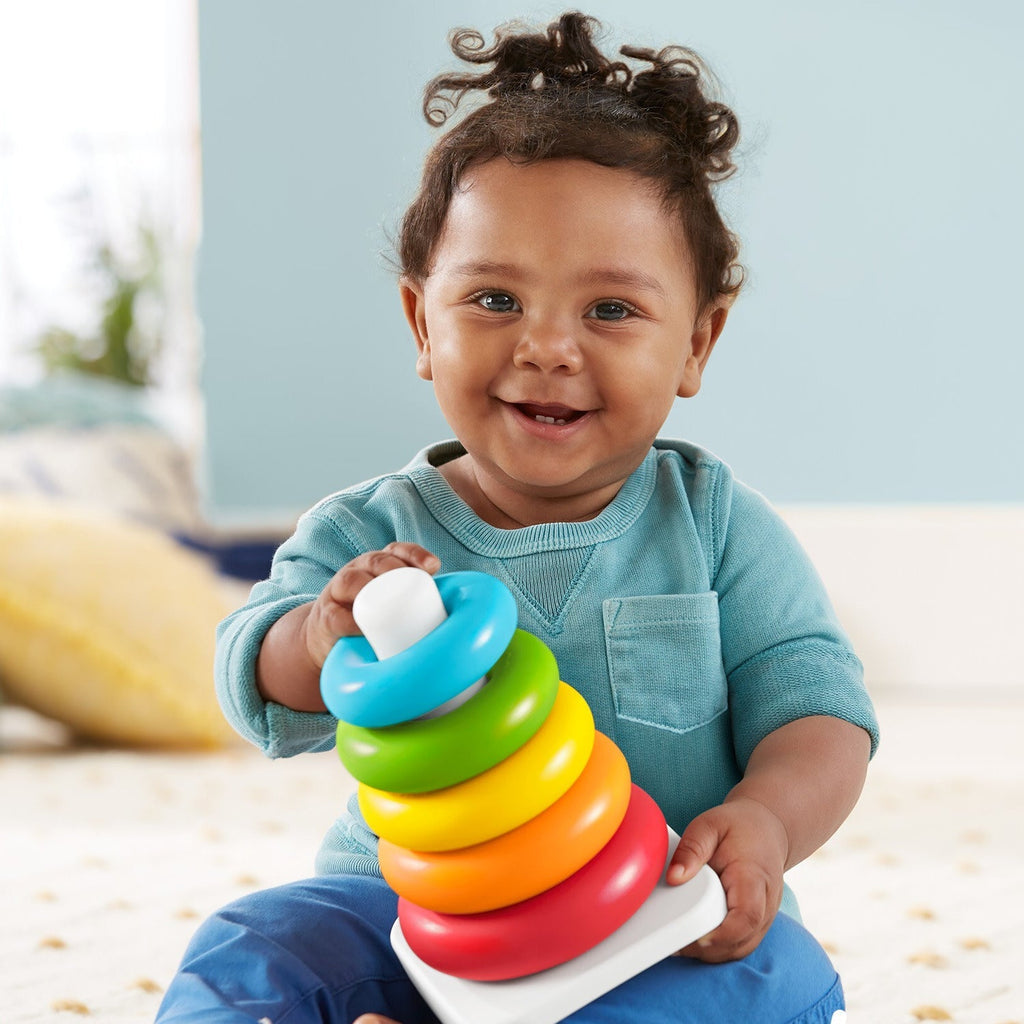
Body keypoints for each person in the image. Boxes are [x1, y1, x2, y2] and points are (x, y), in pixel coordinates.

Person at [157, 11, 879, 1024]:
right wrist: (321, 633)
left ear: (696, 343)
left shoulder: (716, 526)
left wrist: (761, 822)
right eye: (494, 299)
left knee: (784, 979)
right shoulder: (368, 536)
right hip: (420, 921)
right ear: (422, 322)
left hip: (659, 918)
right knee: (260, 941)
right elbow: (255, 676)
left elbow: (820, 716)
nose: (545, 346)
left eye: (611, 310)